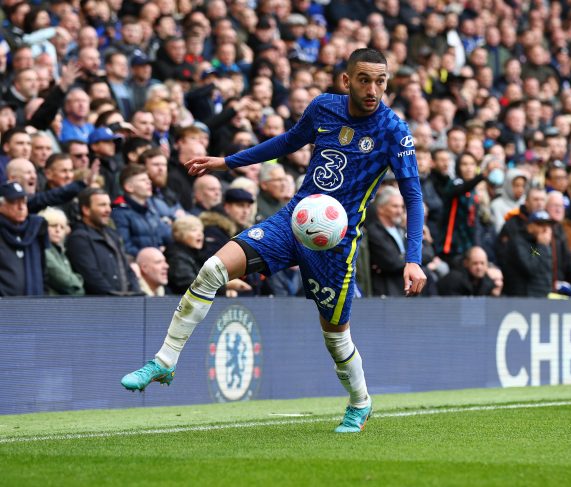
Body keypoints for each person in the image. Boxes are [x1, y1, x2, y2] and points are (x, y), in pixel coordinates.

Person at [121, 48, 427, 433]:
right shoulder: (323, 108)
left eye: (380, 80)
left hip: (336, 245)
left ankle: (360, 402)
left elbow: (413, 197)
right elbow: (286, 142)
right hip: (294, 219)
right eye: (364, 79)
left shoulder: (393, 131)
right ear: (346, 80)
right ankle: (165, 360)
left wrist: (412, 257)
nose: (373, 89)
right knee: (213, 269)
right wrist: (228, 162)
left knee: (335, 337)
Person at [66, 188, 141, 295]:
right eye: (102, 205)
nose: (108, 210)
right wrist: (115, 296)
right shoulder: (79, 239)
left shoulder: (113, 235)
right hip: (100, 306)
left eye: (108, 205)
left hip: (124, 303)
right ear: (86, 210)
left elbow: (127, 269)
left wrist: (135, 293)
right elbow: (91, 276)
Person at [0, 181, 48, 296]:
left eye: (24, 202)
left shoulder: (34, 229)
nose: (21, 207)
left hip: (33, 307)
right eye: (14, 202)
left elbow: (43, 271)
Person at [367, 186, 407, 296]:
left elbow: (427, 252)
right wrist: (413, 260)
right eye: (395, 206)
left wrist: (405, 258)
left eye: (401, 207)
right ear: (380, 208)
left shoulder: (402, 229)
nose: (400, 211)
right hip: (388, 289)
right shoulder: (373, 232)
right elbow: (392, 262)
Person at [39, 206, 84, 295]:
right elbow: (65, 282)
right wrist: (78, 283)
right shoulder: (44, 250)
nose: (58, 230)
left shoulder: (60, 252)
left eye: (62, 227)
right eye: (53, 225)